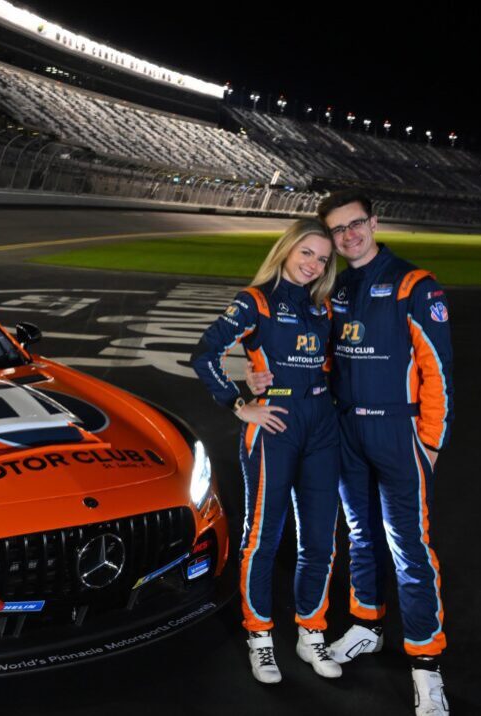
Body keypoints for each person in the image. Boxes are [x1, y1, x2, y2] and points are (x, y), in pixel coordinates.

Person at [249, 191, 453, 715]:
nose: (349, 235)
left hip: (398, 431)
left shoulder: (414, 283)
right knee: (361, 536)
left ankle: (426, 664)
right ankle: (366, 624)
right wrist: (252, 381)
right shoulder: (331, 289)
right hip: (344, 432)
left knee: (409, 546)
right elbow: (301, 350)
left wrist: (430, 441)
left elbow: (438, 370)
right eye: (338, 230)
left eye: (356, 223)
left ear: (374, 223)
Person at [191, 219, 342, 684]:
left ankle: (311, 631)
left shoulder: (324, 306)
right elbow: (205, 354)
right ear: (287, 249)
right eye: (306, 253)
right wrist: (241, 403)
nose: (313, 265)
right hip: (275, 425)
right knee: (263, 538)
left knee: (320, 539)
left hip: (323, 427)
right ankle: (259, 637)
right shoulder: (255, 301)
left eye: (322, 259)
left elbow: (330, 364)